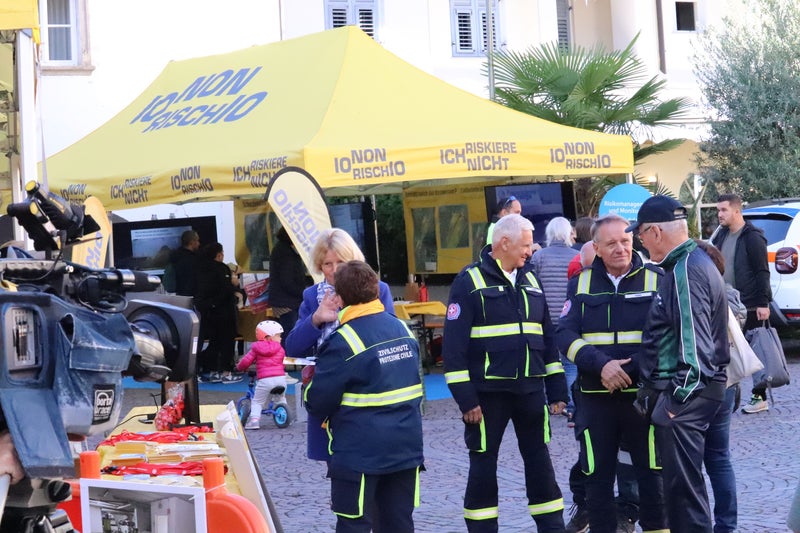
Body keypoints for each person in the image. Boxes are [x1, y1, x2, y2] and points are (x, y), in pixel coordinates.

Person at [442, 213, 568, 533]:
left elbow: (547, 337)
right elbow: (453, 349)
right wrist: (466, 399)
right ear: (504, 243)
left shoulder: (532, 278)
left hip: (530, 392)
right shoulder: (469, 282)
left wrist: (557, 390)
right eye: (526, 245)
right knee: (483, 465)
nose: (530, 251)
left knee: (539, 462)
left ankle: (552, 527)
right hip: (487, 397)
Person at [556, 214, 666, 533]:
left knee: (652, 475)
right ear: (596, 247)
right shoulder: (580, 284)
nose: (620, 248)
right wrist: (601, 364)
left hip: (643, 397)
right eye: (612, 243)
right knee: (597, 478)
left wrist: (627, 369)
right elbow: (564, 335)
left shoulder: (657, 279)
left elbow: (665, 337)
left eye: (625, 241)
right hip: (595, 399)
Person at [630, 195, 729, 533]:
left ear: (655, 232)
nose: (640, 242)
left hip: (688, 396)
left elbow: (695, 347)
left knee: (684, 495)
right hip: (695, 394)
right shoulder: (688, 264)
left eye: (640, 234)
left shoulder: (686, 268)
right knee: (683, 492)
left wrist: (673, 404)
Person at [305, 261, 424, 533]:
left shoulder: (343, 341)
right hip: (406, 449)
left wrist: (311, 382)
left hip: (359, 454)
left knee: (354, 524)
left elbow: (317, 401)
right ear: (375, 290)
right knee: (399, 524)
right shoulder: (403, 330)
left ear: (340, 298)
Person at [284, 228, 394, 460]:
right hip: (329, 392)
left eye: (341, 262)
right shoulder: (312, 296)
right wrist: (315, 319)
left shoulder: (378, 289)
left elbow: (390, 336)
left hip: (369, 391)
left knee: (370, 459)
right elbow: (292, 348)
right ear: (319, 266)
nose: (335, 270)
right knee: (335, 462)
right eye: (327, 264)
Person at [694, 239, 742, 533]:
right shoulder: (731, 295)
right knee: (720, 457)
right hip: (728, 382)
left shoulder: (699, 293)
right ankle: (727, 525)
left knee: (693, 461)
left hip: (701, 383)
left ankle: (699, 524)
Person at [711, 193, 772, 414]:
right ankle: (729, 394)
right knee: (728, 352)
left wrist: (763, 302)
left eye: (723, 210)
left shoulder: (752, 237)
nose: (719, 214)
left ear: (737, 211)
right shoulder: (720, 235)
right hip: (726, 304)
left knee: (756, 350)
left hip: (752, 304)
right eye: (718, 210)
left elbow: (762, 271)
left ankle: (759, 397)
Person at [530, 216, 579, 423]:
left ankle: (548, 402)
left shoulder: (538, 257)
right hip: (569, 318)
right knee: (570, 364)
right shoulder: (577, 257)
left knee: (545, 362)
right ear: (569, 233)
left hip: (544, 319)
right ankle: (569, 404)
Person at [195, 242, 242, 384]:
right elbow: (226, 290)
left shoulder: (201, 268)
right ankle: (226, 372)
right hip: (224, 311)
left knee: (214, 342)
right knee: (227, 341)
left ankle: (213, 371)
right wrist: (234, 284)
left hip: (207, 311)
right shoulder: (222, 269)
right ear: (219, 255)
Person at [235, 320, 288, 430]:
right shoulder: (280, 349)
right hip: (281, 378)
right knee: (280, 398)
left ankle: (254, 421)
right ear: (268, 337)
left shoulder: (256, 348)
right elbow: (283, 363)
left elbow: (246, 361)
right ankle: (285, 416)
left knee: (257, 401)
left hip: (265, 380)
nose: (281, 338)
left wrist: (239, 367)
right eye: (278, 335)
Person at [268, 227, 308, 345]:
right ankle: (288, 356)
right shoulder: (286, 253)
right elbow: (287, 281)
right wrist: (304, 292)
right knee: (290, 335)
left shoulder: (282, 249)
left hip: (284, 300)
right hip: (287, 302)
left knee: (287, 333)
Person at [168, 230, 200, 297]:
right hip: (191, 296)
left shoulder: (175, 256)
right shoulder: (193, 259)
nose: (199, 243)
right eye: (197, 240)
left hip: (179, 296)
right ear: (191, 242)